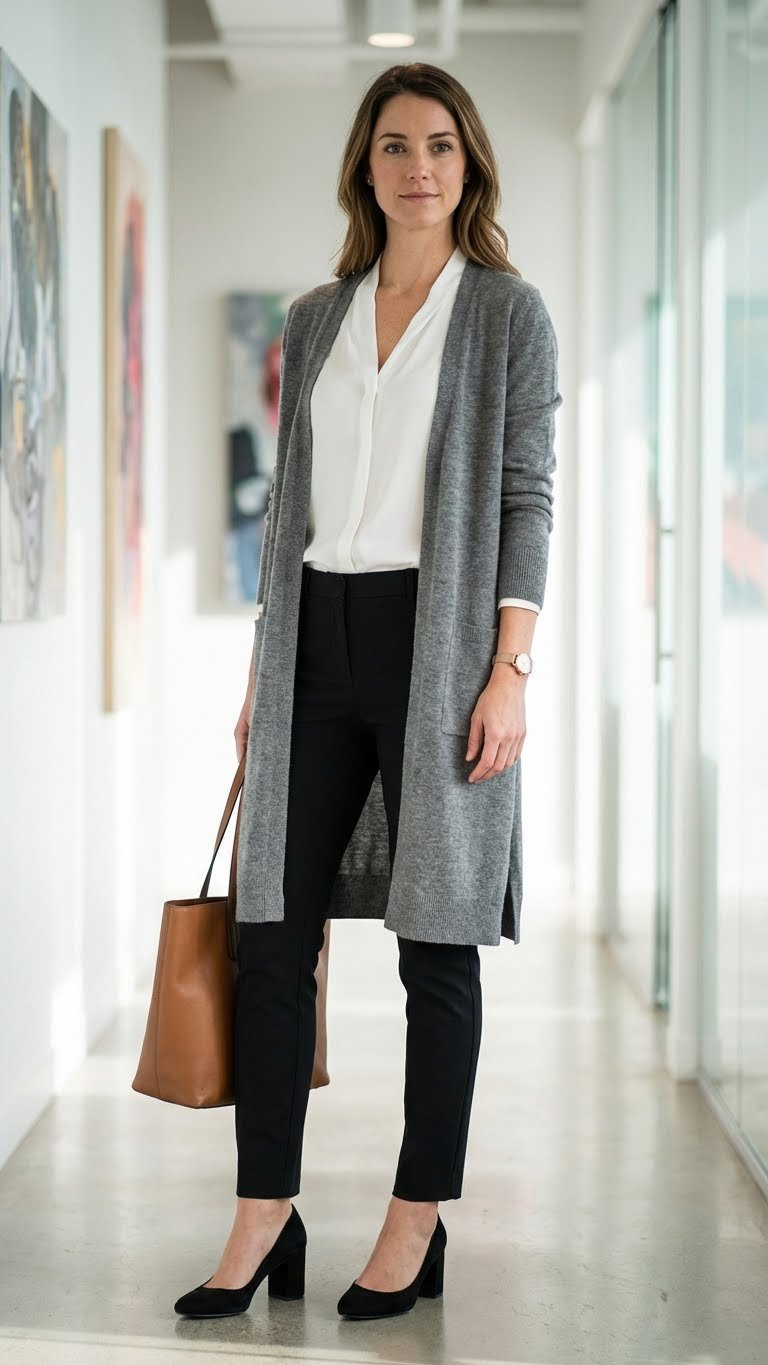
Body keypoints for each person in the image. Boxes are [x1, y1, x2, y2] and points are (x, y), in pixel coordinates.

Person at [174, 60, 561, 1323]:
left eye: (441, 145)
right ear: (366, 165)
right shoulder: (316, 319)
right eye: (394, 145)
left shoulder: (508, 314)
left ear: (471, 164)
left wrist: (510, 669)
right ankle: (263, 1213)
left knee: (437, 944)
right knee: (272, 939)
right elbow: (289, 512)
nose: (418, 167)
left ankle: (415, 1217)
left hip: (438, 640)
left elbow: (525, 499)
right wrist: (258, 674)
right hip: (311, 640)